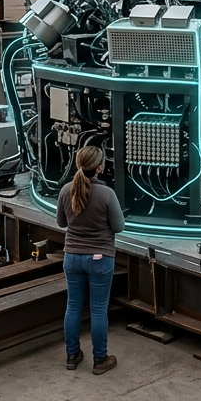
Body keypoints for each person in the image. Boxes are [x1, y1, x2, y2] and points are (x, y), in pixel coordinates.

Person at [56, 145, 123, 375]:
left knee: (73, 307)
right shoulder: (107, 194)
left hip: (72, 257)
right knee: (98, 310)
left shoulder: (66, 190)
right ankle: (100, 359)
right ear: (100, 167)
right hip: (100, 259)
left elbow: (61, 223)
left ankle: (72, 355)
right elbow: (119, 227)